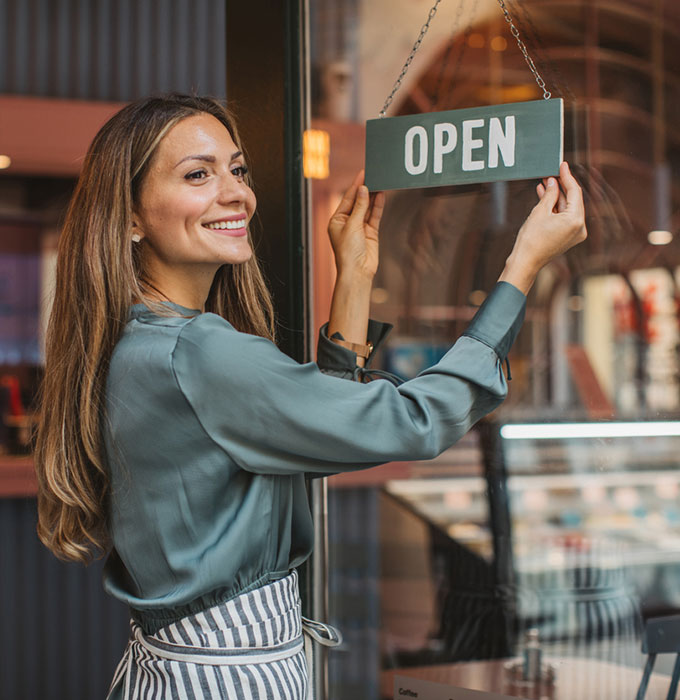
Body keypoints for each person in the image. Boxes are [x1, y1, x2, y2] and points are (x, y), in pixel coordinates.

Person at [34, 94, 586, 700]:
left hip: (176, 666)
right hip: (229, 680)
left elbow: (324, 422)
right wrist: (523, 266)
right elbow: (415, 421)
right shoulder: (200, 352)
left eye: (237, 170)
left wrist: (352, 276)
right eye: (198, 173)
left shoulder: (139, 340)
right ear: (131, 218)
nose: (235, 192)